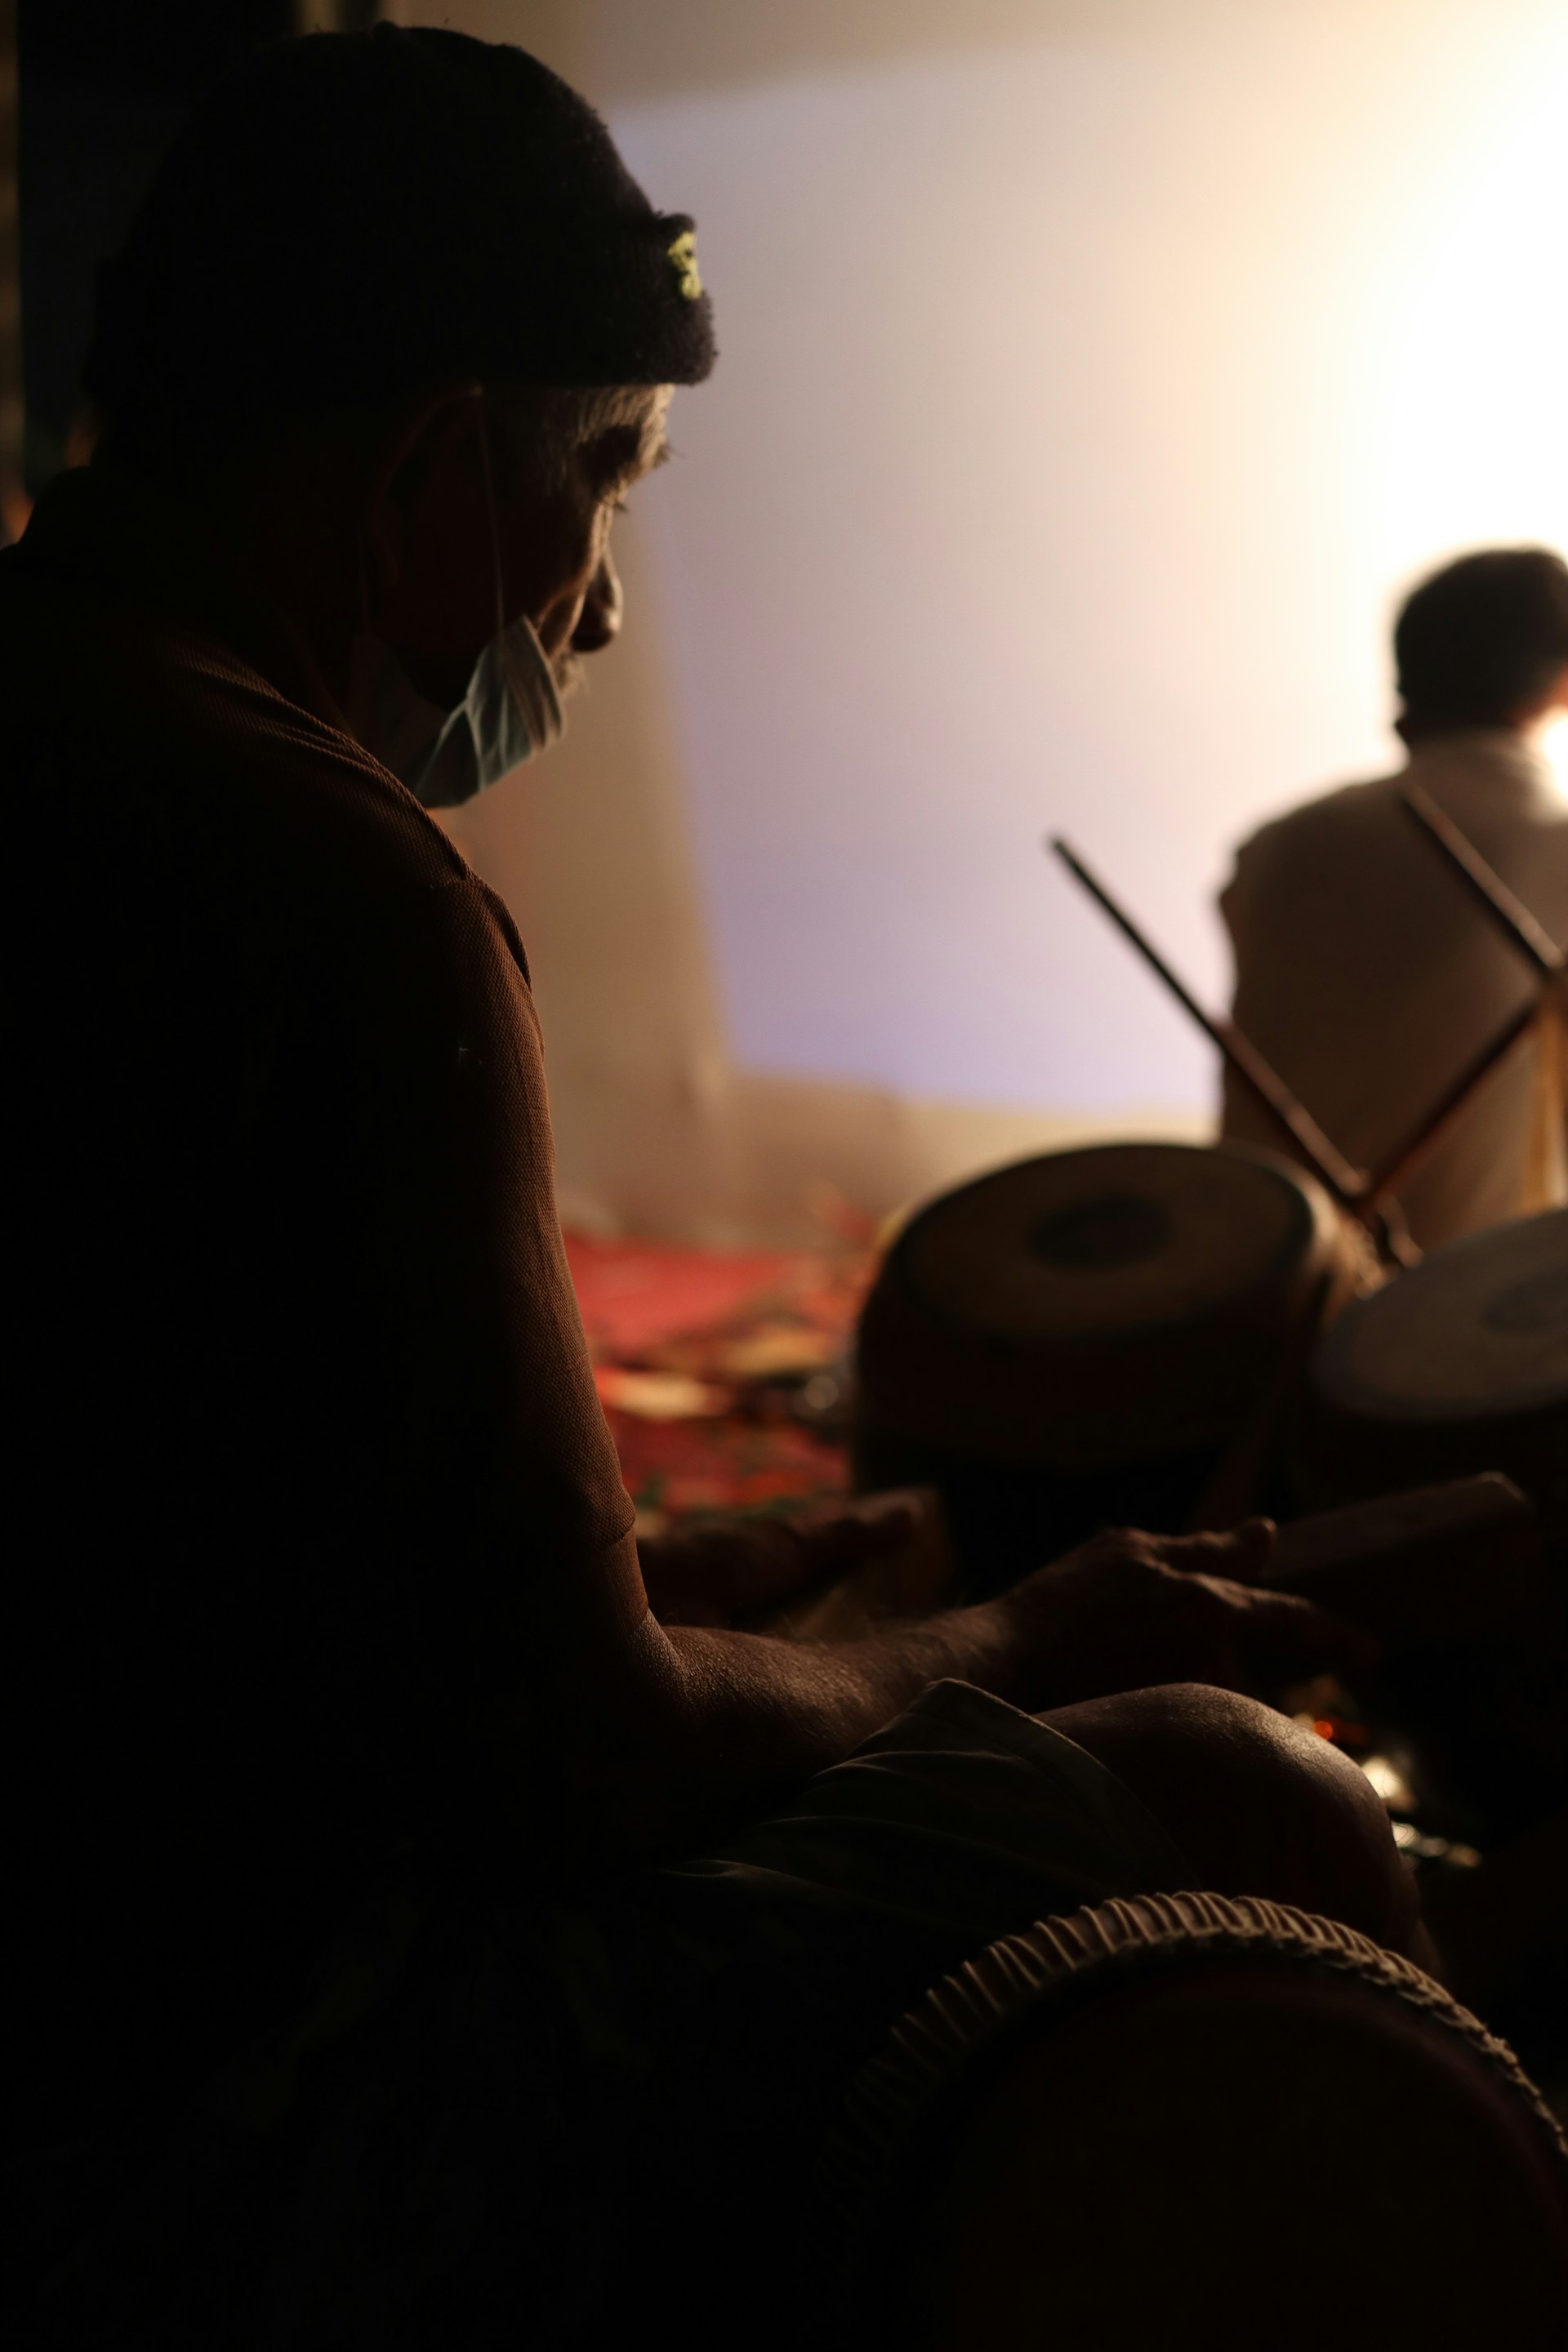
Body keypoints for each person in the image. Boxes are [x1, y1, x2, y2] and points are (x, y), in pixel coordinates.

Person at [3, 29, 1432, 2345]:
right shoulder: (330, 882)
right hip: (184, 2107)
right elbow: (576, 1763)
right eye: (608, 481)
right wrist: (1011, 1643)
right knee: (1235, 1790)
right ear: (429, 471)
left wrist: (703, 1583)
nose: (600, 608)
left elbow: (190, 1574)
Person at [1221, 547, 1568, 1250]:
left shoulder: (1276, 848)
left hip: (1258, 1297)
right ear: (1559, 684)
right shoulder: (1554, 848)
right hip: (1463, 1331)